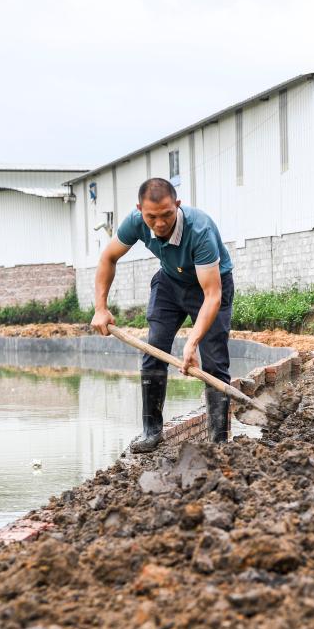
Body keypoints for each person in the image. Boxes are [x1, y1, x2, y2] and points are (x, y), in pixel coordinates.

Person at [90, 178, 234, 451]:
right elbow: (108, 258)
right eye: (151, 217)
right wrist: (101, 307)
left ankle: (219, 444)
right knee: (153, 351)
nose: (159, 223)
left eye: (167, 215)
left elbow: (212, 295)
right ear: (140, 210)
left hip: (211, 287)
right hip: (170, 282)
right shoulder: (135, 222)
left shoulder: (199, 230)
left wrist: (192, 342)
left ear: (177, 206)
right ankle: (151, 432)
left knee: (214, 362)